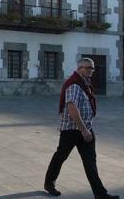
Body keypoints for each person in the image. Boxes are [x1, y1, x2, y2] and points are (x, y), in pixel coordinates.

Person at [44, 58, 119, 199]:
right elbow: (72, 107)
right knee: (61, 157)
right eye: (88, 68)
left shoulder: (85, 83)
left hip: (86, 128)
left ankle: (100, 194)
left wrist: (86, 128)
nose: (91, 70)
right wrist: (84, 130)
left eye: (92, 68)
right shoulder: (74, 84)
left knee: (90, 162)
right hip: (71, 130)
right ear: (80, 69)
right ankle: (49, 184)